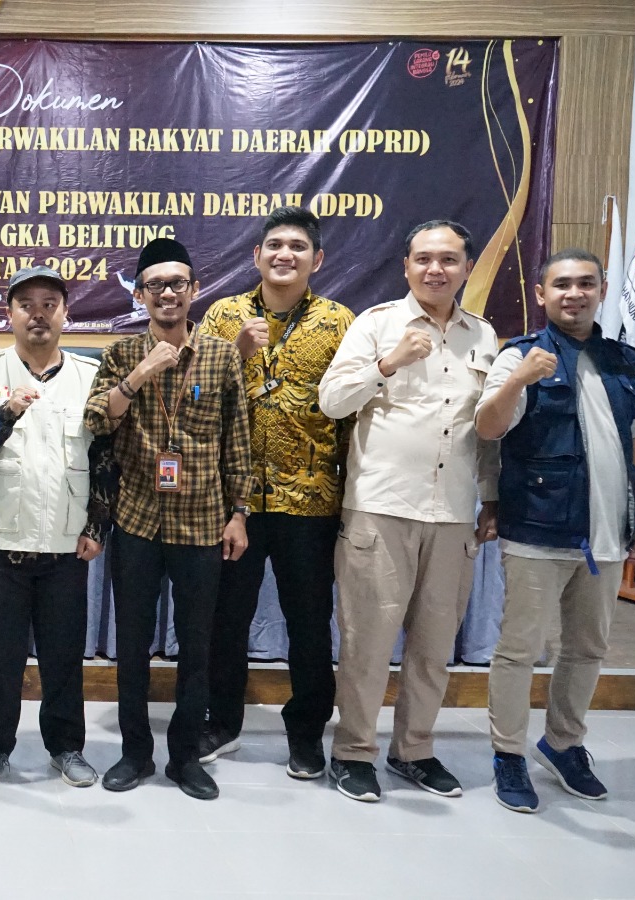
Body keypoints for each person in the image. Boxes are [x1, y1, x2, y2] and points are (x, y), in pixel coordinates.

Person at [317, 219, 499, 803]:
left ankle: (414, 749)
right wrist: (388, 363)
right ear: (405, 266)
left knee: (433, 646)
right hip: (381, 509)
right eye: (423, 258)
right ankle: (353, 752)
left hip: (453, 513)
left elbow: (487, 429)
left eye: (448, 259)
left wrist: (491, 496)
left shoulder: (483, 336)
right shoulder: (376, 325)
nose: (435, 269)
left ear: (466, 267)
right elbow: (332, 401)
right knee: (367, 642)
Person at [477, 248, 635, 812]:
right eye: (561, 285)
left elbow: (634, 447)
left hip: (608, 532)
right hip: (538, 527)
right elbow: (488, 427)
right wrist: (518, 380)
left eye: (585, 284)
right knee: (519, 650)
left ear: (601, 290)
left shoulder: (621, 361)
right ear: (541, 294)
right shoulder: (520, 355)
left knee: (587, 648)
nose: (573, 294)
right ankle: (508, 753)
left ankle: (563, 743)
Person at [83, 237, 252, 801]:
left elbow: (237, 441)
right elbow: (95, 421)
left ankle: (185, 757)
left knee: (196, 646)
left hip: (202, 522)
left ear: (195, 289)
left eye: (178, 282)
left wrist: (239, 513)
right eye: (155, 285)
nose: (167, 293)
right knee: (131, 644)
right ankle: (135, 753)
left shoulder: (222, 356)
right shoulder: (122, 353)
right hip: (136, 519)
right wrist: (140, 375)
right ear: (139, 294)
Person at [198, 207, 355, 779]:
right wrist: (234, 355)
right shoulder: (223, 315)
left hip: (310, 501)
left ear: (318, 259)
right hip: (232, 502)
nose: (284, 254)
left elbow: (352, 414)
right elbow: (193, 396)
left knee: (309, 621)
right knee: (225, 618)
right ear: (256, 255)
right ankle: (222, 721)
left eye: (297, 246)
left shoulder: (340, 323)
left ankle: (307, 732)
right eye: (274, 245)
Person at [0, 265, 107, 788]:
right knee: (0, 658)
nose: (38, 314)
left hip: (67, 541)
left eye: (49, 304)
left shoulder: (89, 375)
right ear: (9, 314)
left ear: (66, 313)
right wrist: (7, 412)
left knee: (64, 657)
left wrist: (97, 526)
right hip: (1, 539)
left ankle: (66, 748)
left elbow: (106, 456)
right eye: (26, 305)